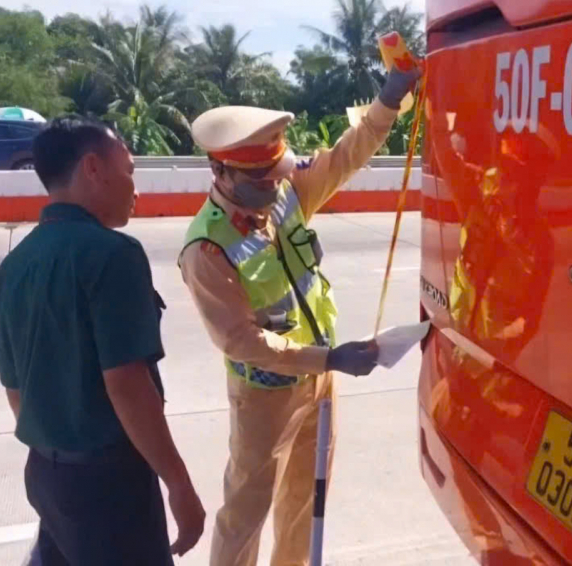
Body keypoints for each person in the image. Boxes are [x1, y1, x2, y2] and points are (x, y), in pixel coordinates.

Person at [179, 66, 420, 565]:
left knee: (304, 504)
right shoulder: (206, 248)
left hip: (320, 382)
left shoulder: (285, 193)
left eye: (277, 171)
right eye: (260, 178)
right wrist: (329, 358)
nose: (274, 184)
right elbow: (240, 341)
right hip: (265, 395)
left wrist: (388, 100)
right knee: (245, 513)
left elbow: (346, 156)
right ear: (220, 172)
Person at [0, 118, 206, 565]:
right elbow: (127, 384)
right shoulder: (113, 254)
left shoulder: (13, 267)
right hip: (108, 486)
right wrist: (179, 484)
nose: (135, 189)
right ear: (92, 168)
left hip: (47, 475)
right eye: (128, 171)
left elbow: (16, 392)